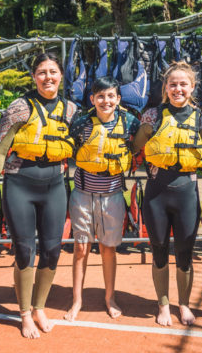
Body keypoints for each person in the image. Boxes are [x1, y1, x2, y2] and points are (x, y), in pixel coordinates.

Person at [0, 52, 77, 339]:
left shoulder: (72, 110)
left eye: (53, 71)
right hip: (20, 184)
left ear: (61, 75)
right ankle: (24, 313)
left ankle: (39, 307)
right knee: (25, 251)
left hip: (55, 186)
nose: (48, 77)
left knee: (52, 250)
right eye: (41, 72)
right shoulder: (19, 108)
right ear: (34, 77)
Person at [133, 61, 202, 326]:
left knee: (185, 253)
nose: (178, 89)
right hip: (157, 193)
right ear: (165, 88)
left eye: (183, 84)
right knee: (159, 250)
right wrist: (143, 132)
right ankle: (163, 304)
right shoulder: (152, 116)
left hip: (187, 192)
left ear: (192, 87)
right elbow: (135, 148)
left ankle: (184, 304)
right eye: (173, 84)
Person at [64, 76, 140, 321]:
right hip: (83, 195)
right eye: (100, 96)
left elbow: (140, 146)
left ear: (118, 99)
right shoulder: (82, 123)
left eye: (111, 96)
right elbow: (69, 148)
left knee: (109, 249)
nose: (106, 101)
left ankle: (109, 297)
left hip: (113, 196)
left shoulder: (129, 123)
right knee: (80, 248)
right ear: (92, 99)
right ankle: (77, 301)